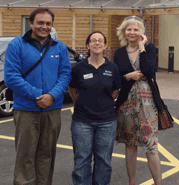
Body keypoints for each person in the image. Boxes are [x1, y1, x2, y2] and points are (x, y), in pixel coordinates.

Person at [4, 8, 71, 185]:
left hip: (52, 109)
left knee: (46, 154)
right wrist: (38, 96)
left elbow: (65, 75)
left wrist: (52, 95)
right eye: (40, 22)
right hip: (26, 109)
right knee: (25, 155)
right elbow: (11, 77)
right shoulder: (16, 45)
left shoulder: (60, 47)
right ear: (31, 23)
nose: (44, 26)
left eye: (48, 23)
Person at [114, 16, 162, 185]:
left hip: (147, 104)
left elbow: (149, 70)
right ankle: (132, 182)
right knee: (130, 144)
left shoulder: (149, 48)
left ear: (141, 32)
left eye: (136, 29)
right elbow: (116, 79)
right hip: (126, 104)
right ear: (123, 32)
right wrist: (128, 76)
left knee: (151, 146)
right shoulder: (119, 53)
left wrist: (141, 47)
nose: (132, 32)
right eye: (129, 29)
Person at [68, 31, 121, 185]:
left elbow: (114, 92)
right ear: (87, 45)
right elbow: (73, 91)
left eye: (100, 41)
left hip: (107, 122)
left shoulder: (112, 68)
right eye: (93, 40)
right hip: (82, 122)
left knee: (104, 161)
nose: (97, 43)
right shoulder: (79, 68)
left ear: (105, 46)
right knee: (82, 161)